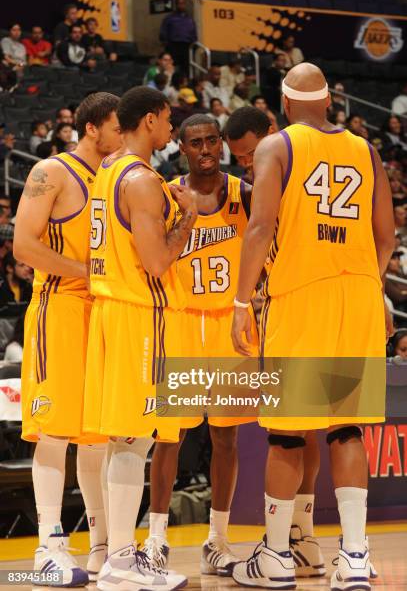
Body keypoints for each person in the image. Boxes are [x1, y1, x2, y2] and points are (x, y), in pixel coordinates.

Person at [230, 63, 394, 590]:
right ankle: (353, 556)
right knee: (346, 429)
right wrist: (367, 280)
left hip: (301, 298)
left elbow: (258, 230)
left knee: (286, 434)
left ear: (283, 101)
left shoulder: (277, 147)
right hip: (359, 294)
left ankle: (277, 555)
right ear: (329, 101)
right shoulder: (366, 151)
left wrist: (240, 301)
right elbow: (386, 234)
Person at [81, 87, 197, 589]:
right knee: (136, 437)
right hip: (137, 312)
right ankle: (124, 561)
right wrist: (188, 217)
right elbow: (157, 261)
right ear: (149, 120)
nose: (172, 130)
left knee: (121, 438)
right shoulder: (143, 180)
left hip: (107, 309)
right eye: (169, 121)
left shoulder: (107, 168)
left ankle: (116, 555)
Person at [141, 114, 257, 575]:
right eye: (196, 142)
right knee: (169, 436)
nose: (206, 148)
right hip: (183, 324)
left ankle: (217, 539)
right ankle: (155, 539)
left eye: (212, 140)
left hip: (230, 326)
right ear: (182, 148)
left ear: (222, 145)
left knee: (226, 436)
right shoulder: (167, 194)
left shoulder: (244, 193)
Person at [14, 92, 121, 587]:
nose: (123, 136)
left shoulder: (117, 178)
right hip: (59, 307)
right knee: (53, 432)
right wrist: (90, 271)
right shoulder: (51, 172)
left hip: (102, 313)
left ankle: (101, 545)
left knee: (97, 438)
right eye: (118, 127)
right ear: (93, 127)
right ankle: (49, 547)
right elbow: (24, 245)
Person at [224, 106, 326, 578]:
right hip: (311, 303)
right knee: (310, 426)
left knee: (293, 428)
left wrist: (244, 304)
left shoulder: (287, 166)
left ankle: (285, 545)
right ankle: (301, 538)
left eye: (248, 154)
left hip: (295, 307)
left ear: (270, 132)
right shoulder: (273, 176)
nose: (246, 163)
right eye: (239, 158)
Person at [159, 0, 197, 74]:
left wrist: (194, 44)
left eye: (183, 3)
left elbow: (194, 33)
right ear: (176, 5)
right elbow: (163, 32)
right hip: (173, 46)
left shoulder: (189, 19)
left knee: (186, 69)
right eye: (179, 3)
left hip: (186, 46)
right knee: (171, 67)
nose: (181, 5)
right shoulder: (169, 18)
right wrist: (166, 43)